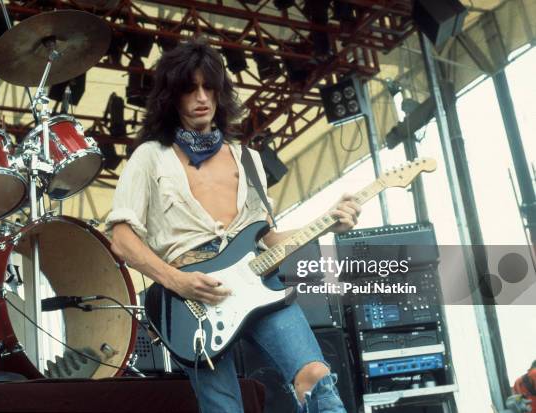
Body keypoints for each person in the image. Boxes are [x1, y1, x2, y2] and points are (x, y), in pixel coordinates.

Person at [107, 37, 361, 413]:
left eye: (209, 87)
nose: (201, 98)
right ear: (171, 96)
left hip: (257, 280)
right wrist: (176, 280)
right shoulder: (150, 157)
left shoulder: (248, 159)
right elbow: (122, 239)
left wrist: (328, 223)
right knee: (224, 407)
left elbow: (269, 236)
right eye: (190, 89)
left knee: (318, 381)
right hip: (190, 299)